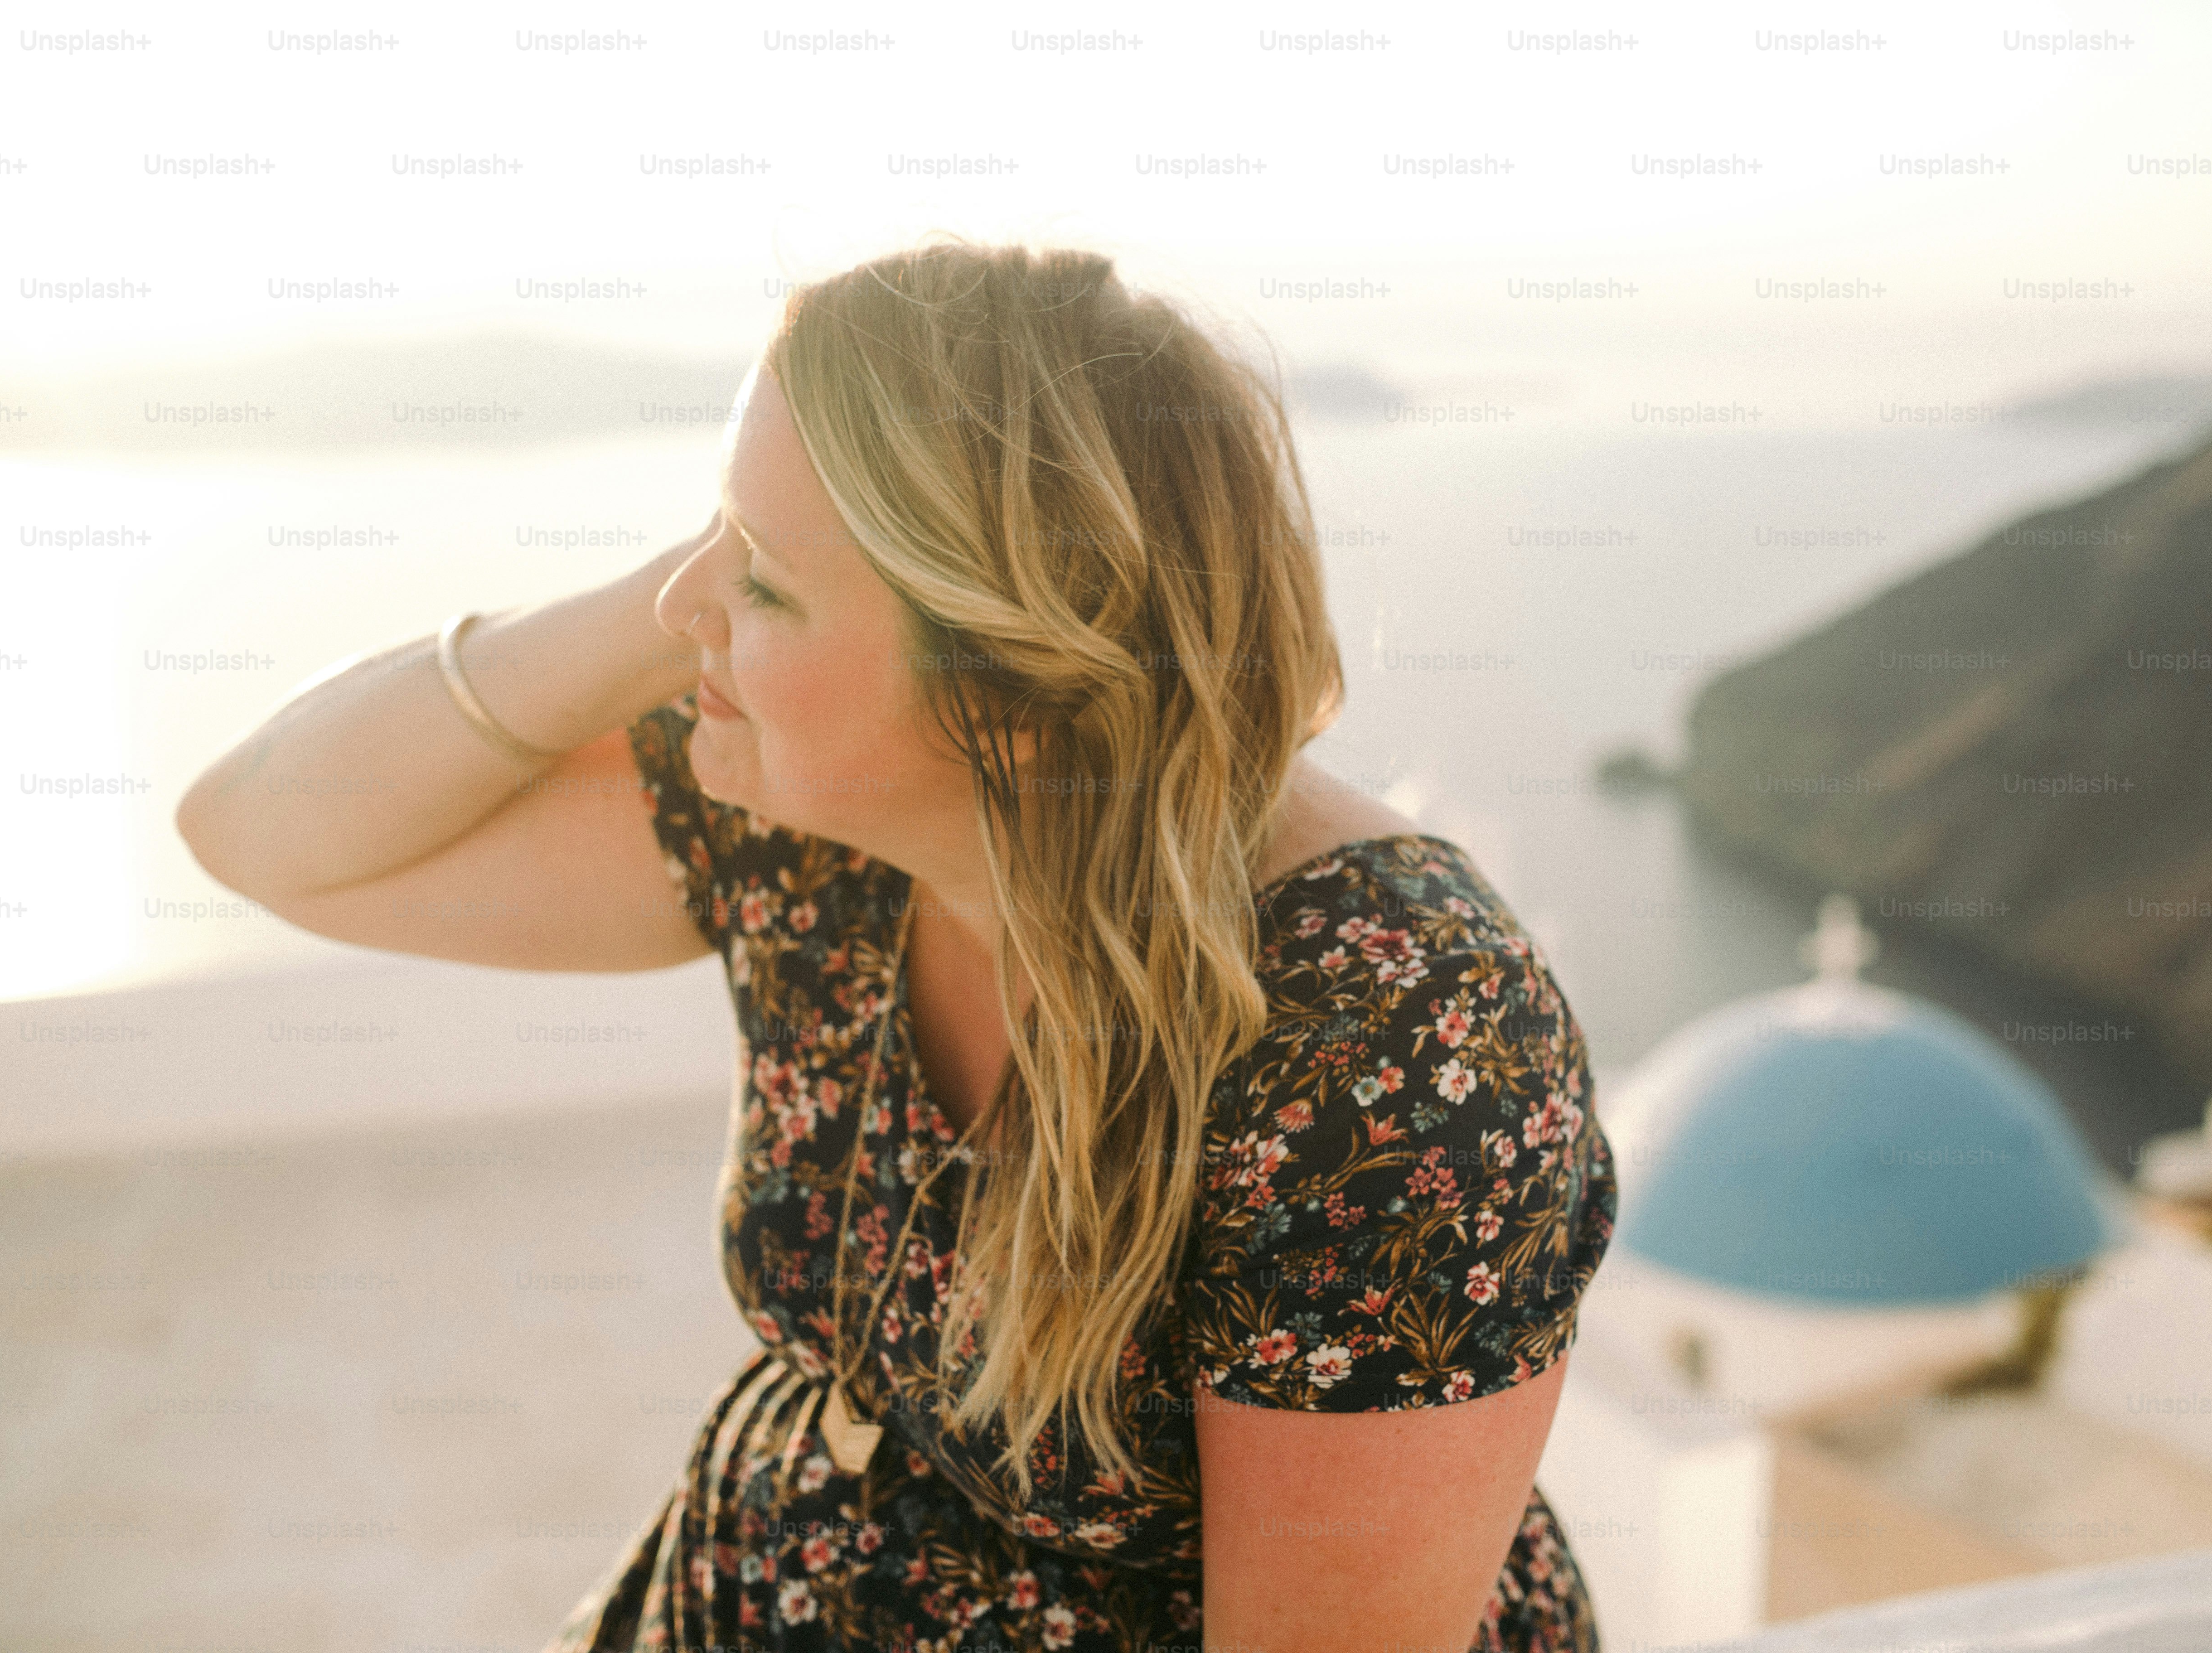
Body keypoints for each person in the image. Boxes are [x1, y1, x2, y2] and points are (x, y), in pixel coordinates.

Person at [178, 240, 1620, 1652]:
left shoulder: (1401, 1051)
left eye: (772, 585)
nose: (693, 610)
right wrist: (697, 592)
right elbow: (263, 831)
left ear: (1006, 692)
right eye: (713, 544)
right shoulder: (813, 826)